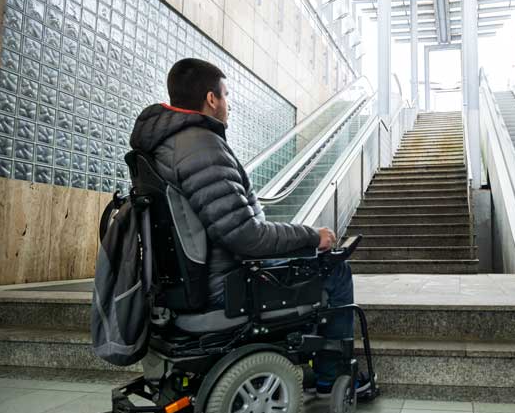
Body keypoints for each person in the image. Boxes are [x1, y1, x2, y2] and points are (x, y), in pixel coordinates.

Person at [129, 57, 356, 394]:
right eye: (226, 95)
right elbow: (245, 236)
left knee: (308, 257)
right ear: (211, 99)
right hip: (226, 283)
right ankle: (331, 375)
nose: (228, 105)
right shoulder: (200, 146)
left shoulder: (163, 145)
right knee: (335, 267)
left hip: (189, 281)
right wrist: (311, 237)